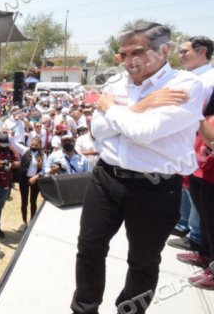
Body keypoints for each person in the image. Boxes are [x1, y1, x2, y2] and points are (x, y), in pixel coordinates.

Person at [71, 22, 204, 314]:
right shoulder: (116, 83)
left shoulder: (184, 85)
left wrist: (116, 111)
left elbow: (145, 132)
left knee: (143, 261)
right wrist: (139, 107)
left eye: (138, 52)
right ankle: (84, 308)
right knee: (89, 249)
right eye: (123, 54)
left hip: (154, 188)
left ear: (163, 50)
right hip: (105, 178)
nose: (130, 61)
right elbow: (97, 130)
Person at [168, 36, 214, 251]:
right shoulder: (185, 76)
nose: (181, 56)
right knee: (185, 184)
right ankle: (185, 225)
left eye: (185, 51)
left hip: (200, 140)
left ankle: (196, 236)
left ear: (202, 51)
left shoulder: (210, 78)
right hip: (183, 139)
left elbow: (201, 113)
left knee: (198, 186)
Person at [13, 136, 47, 230]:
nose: (33, 146)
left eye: (36, 145)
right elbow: (13, 143)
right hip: (24, 179)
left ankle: (32, 221)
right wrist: (11, 134)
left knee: (33, 201)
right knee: (24, 201)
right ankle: (24, 222)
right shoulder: (25, 151)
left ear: (40, 145)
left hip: (35, 180)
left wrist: (35, 177)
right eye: (32, 144)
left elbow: (45, 169)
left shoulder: (43, 155)